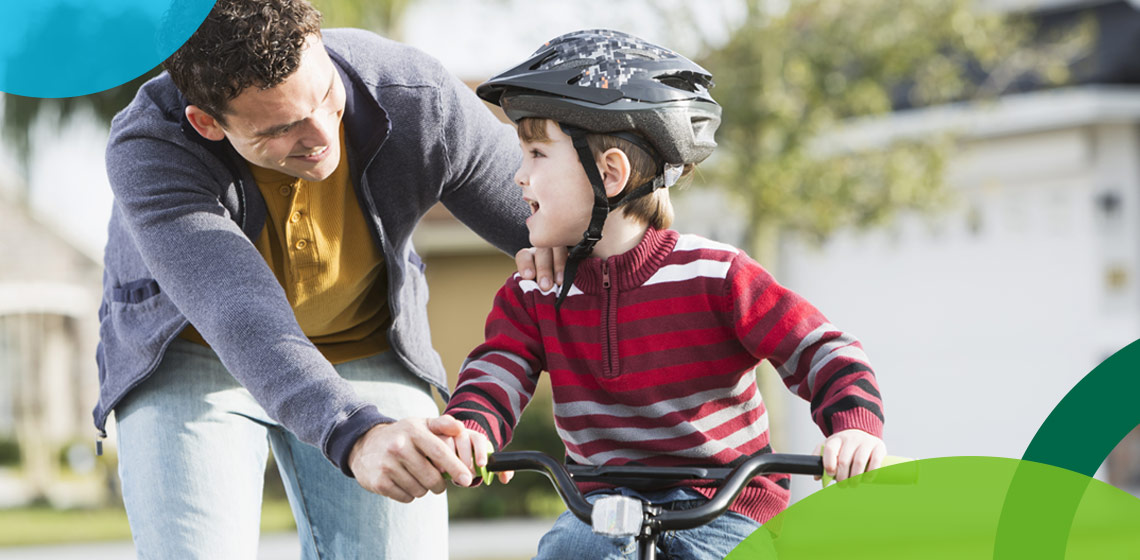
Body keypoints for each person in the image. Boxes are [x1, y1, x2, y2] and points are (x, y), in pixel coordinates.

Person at [94, 0, 560, 557]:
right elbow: (239, 311)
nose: (320, 135)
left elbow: (558, 218)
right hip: (196, 354)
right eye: (283, 126)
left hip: (362, 340)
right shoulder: (151, 146)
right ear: (208, 123)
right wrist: (356, 433)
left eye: (323, 94)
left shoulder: (417, 98)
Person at [442, 29, 888, 560]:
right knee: (568, 551)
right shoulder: (535, 292)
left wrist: (854, 429)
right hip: (601, 509)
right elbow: (499, 366)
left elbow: (824, 350)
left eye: (536, 153)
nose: (517, 176)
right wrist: (471, 428)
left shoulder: (716, 276)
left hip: (722, 508)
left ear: (609, 174)